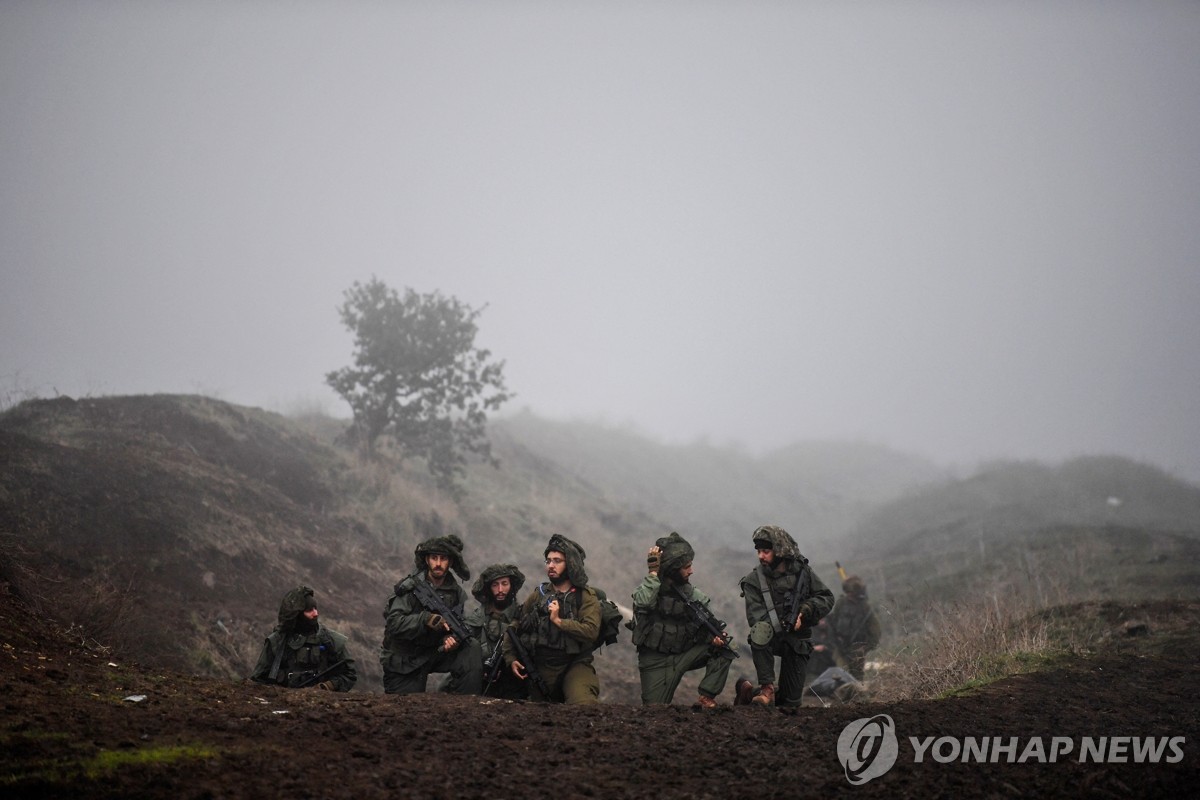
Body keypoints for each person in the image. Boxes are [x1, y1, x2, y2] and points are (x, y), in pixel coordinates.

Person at [630, 532, 735, 708]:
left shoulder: (694, 596)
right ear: (672, 569)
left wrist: (714, 640)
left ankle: (706, 698)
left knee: (725, 648)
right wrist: (653, 573)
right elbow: (643, 602)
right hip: (654, 662)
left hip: (683, 655)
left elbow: (704, 630)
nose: (691, 570)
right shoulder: (648, 590)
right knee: (654, 711)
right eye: (686, 567)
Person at [735, 525, 834, 708]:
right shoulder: (754, 580)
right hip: (770, 637)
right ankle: (766, 688)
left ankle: (749, 694)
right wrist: (780, 621)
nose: (760, 556)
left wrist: (804, 612)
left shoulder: (803, 572)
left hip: (796, 639)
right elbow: (756, 618)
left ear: (779, 551)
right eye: (758, 551)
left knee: (790, 703)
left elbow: (827, 598)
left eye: (766, 551)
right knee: (760, 630)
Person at [503, 534, 601, 704]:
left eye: (557, 561)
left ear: (570, 564)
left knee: (584, 705)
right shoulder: (538, 595)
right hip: (540, 667)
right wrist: (511, 659)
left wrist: (558, 621)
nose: (551, 566)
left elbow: (591, 631)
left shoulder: (585, 597)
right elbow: (514, 626)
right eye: (548, 561)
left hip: (574, 664)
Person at [380, 534, 482, 695]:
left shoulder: (456, 592)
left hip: (433, 652)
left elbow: (452, 626)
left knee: (471, 647)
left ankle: (466, 704)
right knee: (407, 710)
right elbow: (393, 623)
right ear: (427, 560)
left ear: (450, 562)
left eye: (443, 559)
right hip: (406, 658)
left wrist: (450, 639)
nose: (438, 564)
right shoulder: (411, 587)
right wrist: (425, 619)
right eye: (434, 558)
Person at [250, 585, 357, 691]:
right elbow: (257, 680)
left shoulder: (330, 641)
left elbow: (349, 674)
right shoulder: (277, 642)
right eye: (309, 610)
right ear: (298, 614)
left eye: (315, 608)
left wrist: (328, 686)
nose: (315, 613)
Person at [466, 562, 528, 699]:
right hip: (479, 676)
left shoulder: (521, 617)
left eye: (505, 584)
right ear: (489, 588)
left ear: (511, 586)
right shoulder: (477, 617)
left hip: (510, 678)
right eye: (495, 585)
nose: (500, 589)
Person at [825, 575, 882, 681]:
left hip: (857, 648)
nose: (848, 595)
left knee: (857, 677)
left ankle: (858, 696)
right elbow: (832, 622)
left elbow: (875, 631)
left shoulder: (865, 607)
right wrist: (833, 641)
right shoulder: (841, 603)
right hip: (841, 645)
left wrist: (866, 648)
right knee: (841, 674)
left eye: (850, 593)